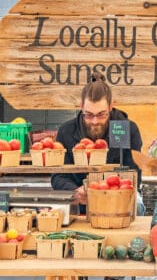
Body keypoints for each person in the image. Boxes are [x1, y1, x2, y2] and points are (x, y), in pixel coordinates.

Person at [51, 76, 143, 211]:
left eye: (101, 114)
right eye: (88, 114)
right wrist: (76, 191)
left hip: (118, 198)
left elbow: (134, 171)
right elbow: (58, 176)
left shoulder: (128, 129)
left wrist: (108, 189)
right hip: (81, 202)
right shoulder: (66, 131)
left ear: (111, 106)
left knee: (138, 205)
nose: (94, 121)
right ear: (81, 107)